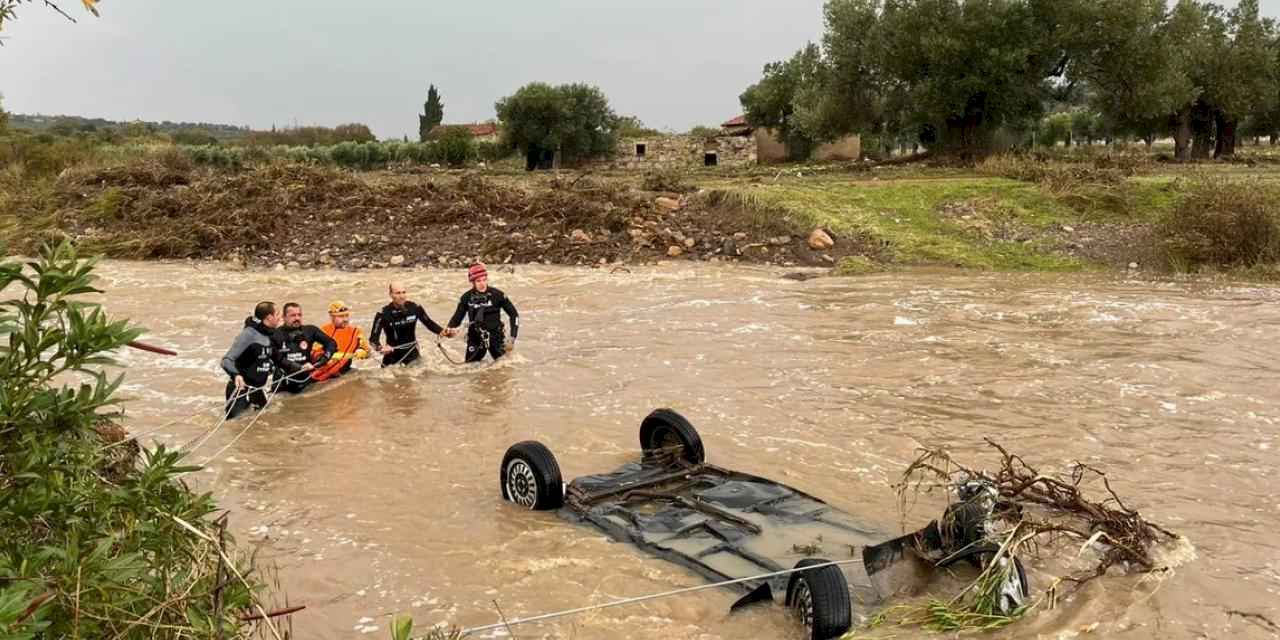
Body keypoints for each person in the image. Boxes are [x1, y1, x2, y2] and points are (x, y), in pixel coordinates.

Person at [444, 263, 519, 362]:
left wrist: (512, 338)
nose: (482, 283)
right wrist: (449, 329)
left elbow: (514, 315)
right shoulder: (466, 298)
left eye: (484, 280)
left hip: (496, 337)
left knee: (504, 369)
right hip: (475, 338)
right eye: (478, 281)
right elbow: (457, 318)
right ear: (473, 282)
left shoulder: (498, 295)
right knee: (470, 369)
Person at [221, 301, 283, 419]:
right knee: (235, 426)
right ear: (269, 317)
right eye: (278, 314)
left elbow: (278, 359)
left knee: (265, 424)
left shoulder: (269, 334)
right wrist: (236, 375)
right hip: (240, 390)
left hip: (257, 391)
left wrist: (302, 367)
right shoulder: (248, 335)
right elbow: (226, 360)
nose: (280, 317)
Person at [370, 281, 445, 367]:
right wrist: (381, 348)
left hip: (412, 355)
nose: (402, 296)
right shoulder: (383, 313)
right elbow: (373, 340)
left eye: (404, 292)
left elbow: (429, 323)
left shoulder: (414, 308)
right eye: (398, 293)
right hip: (391, 358)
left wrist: (443, 331)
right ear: (390, 294)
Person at [274, 302, 336, 394]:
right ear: (284, 317)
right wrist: (298, 367)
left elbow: (331, 343)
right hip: (283, 382)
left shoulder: (310, 330)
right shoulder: (275, 334)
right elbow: (276, 358)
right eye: (293, 315)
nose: (297, 318)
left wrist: (323, 359)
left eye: (299, 315)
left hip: (305, 379)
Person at [311, 301, 370, 382]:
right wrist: (322, 356)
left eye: (347, 316)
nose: (345, 319)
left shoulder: (356, 332)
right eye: (341, 316)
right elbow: (314, 352)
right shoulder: (324, 330)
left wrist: (362, 351)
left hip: (342, 373)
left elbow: (367, 352)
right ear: (332, 317)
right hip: (322, 369)